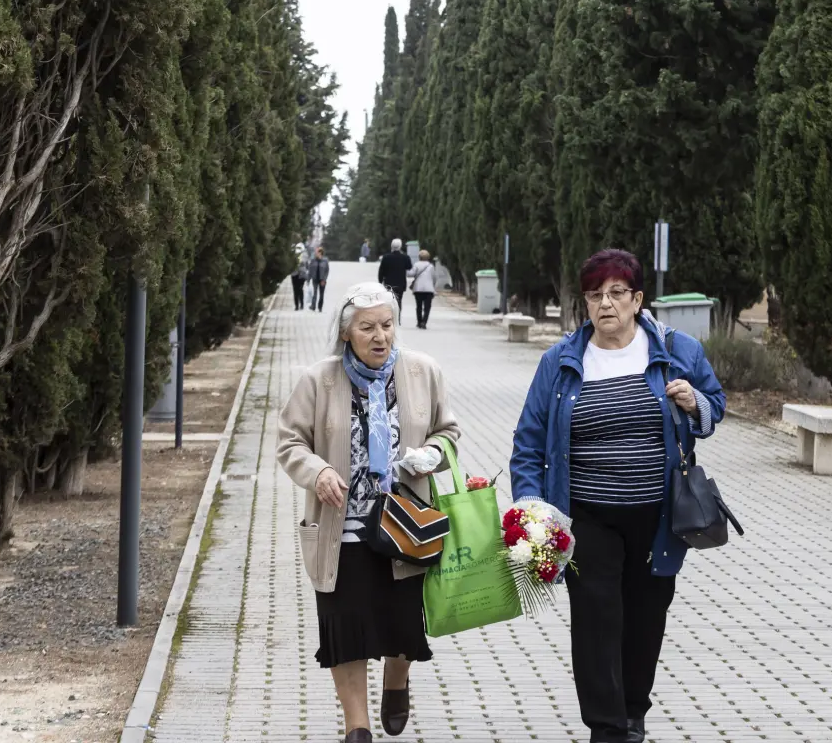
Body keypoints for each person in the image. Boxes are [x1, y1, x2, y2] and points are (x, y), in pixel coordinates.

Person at [508, 248, 726, 743]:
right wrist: (531, 507)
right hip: (586, 516)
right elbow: (528, 441)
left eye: (616, 293)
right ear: (584, 302)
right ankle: (607, 728)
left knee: (646, 617)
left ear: (637, 299)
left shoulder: (677, 351)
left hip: (657, 516)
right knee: (595, 617)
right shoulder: (561, 361)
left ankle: (633, 711)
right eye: (594, 294)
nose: (605, 303)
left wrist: (696, 404)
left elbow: (716, 407)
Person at [277, 283, 461, 743]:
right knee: (346, 628)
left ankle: (396, 682)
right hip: (341, 529)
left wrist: (431, 454)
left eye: (386, 325)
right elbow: (289, 442)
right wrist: (317, 471)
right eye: (367, 328)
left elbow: (448, 431)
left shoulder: (423, 371)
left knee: (402, 624)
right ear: (346, 334)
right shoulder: (318, 380)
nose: (380, 336)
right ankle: (356, 727)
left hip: (406, 523)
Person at [377, 238, 412, 311]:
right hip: (400, 283)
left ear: (391, 246)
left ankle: (390, 317)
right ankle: (397, 318)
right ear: (400, 246)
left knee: (389, 301)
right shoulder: (405, 257)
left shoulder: (386, 257)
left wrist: (380, 282)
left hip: (388, 283)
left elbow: (381, 270)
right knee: (399, 301)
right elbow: (409, 266)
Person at [407, 250, 436, 330]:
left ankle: (419, 322)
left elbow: (410, 274)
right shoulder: (431, 266)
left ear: (419, 257)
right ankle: (424, 322)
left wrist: (406, 270)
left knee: (419, 306)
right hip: (428, 289)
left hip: (418, 289)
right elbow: (434, 278)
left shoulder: (416, 264)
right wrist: (433, 286)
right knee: (427, 307)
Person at [308, 247, 331, 311]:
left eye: (317, 252)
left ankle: (320, 307)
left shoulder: (325, 260)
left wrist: (324, 279)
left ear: (320, 253)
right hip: (315, 279)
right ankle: (313, 306)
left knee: (321, 294)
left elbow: (327, 271)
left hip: (322, 280)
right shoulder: (313, 260)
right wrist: (308, 279)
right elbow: (310, 270)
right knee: (314, 293)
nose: (316, 253)